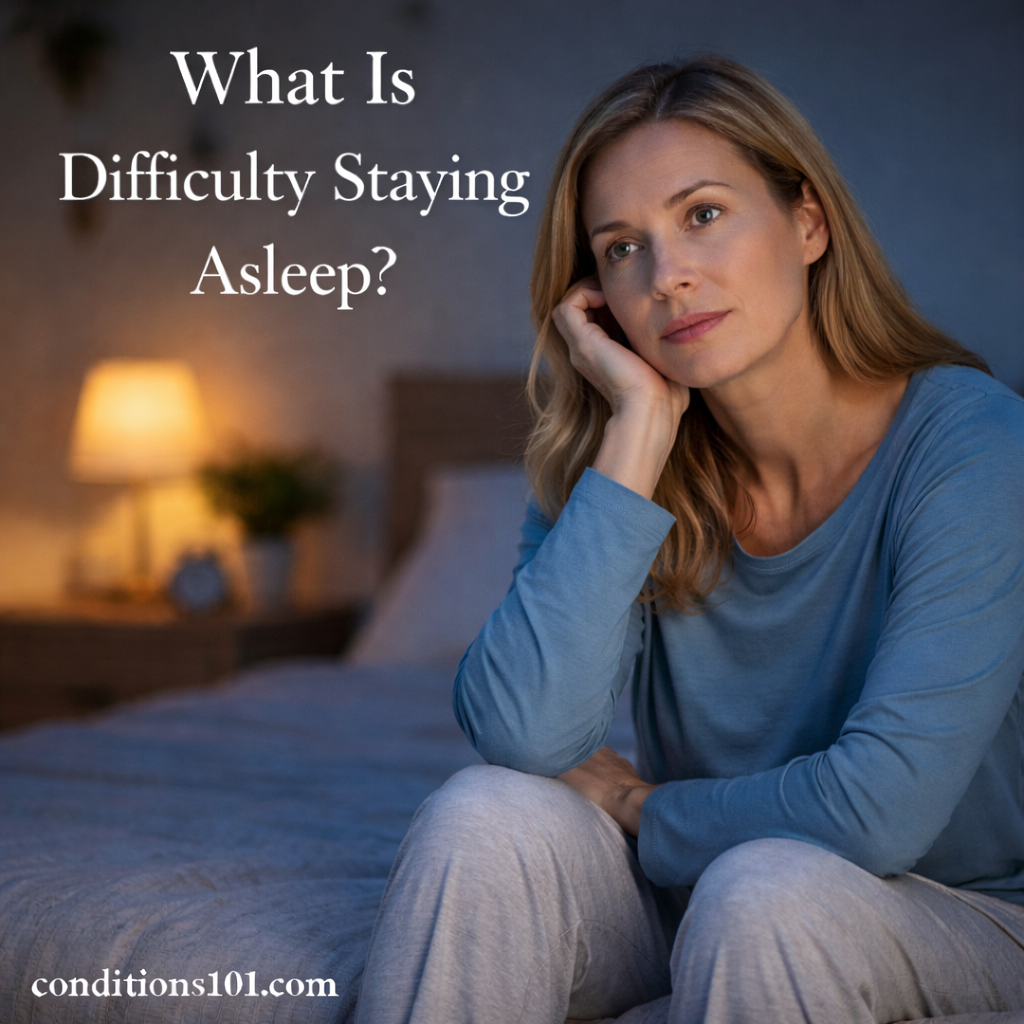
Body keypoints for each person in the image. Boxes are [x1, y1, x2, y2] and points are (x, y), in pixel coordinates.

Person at [354, 56, 1024, 1024]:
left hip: (961, 913)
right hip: (703, 888)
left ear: (807, 221)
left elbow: (879, 812)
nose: (665, 275)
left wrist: (643, 811)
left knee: (768, 890)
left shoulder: (975, 442)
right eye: (621, 247)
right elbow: (521, 733)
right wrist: (635, 431)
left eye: (702, 214)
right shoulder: (618, 465)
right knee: (481, 812)